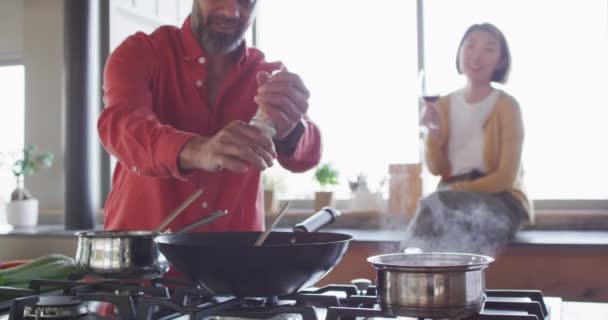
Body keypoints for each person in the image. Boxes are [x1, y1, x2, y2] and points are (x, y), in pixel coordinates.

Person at [98, 0, 321, 232]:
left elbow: (310, 154)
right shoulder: (140, 52)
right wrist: (198, 150)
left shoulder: (269, 74)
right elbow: (121, 126)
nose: (231, 12)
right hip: (142, 259)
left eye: (246, 2)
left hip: (235, 260)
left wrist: (291, 129)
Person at [406, 23, 531, 256]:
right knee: (444, 236)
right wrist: (432, 133)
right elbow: (437, 169)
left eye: (489, 49)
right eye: (470, 46)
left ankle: (402, 273)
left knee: (436, 207)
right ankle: (420, 280)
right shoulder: (442, 105)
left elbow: (504, 178)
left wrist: (452, 190)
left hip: (501, 202)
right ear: (459, 52)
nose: (476, 55)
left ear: (501, 61)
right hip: (451, 201)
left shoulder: (508, 106)